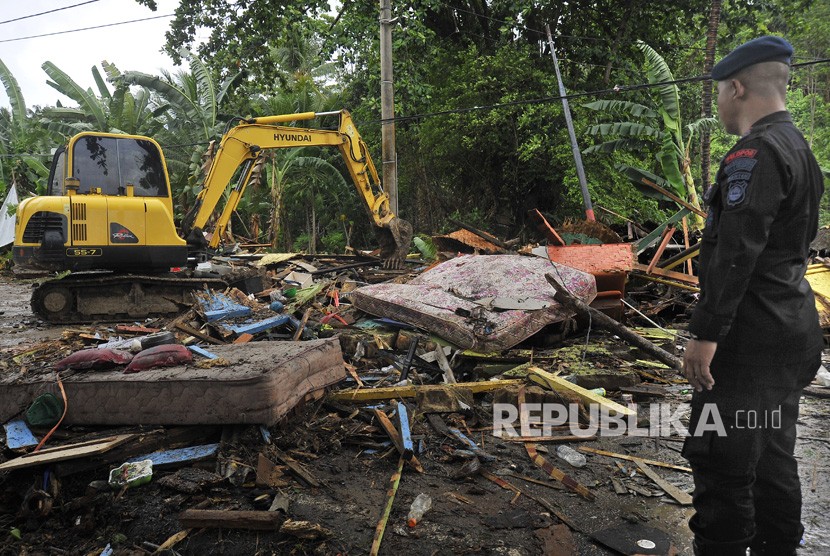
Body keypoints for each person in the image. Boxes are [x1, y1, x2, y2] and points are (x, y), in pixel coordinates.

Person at [682, 35, 825, 556]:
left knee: (721, 464)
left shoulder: (755, 151)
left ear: (737, 87)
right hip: (792, 331)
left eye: (720, 91)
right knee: (771, 459)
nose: (719, 102)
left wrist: (705, 334)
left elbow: (736, 254)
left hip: (750, 342)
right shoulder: (799, 148)